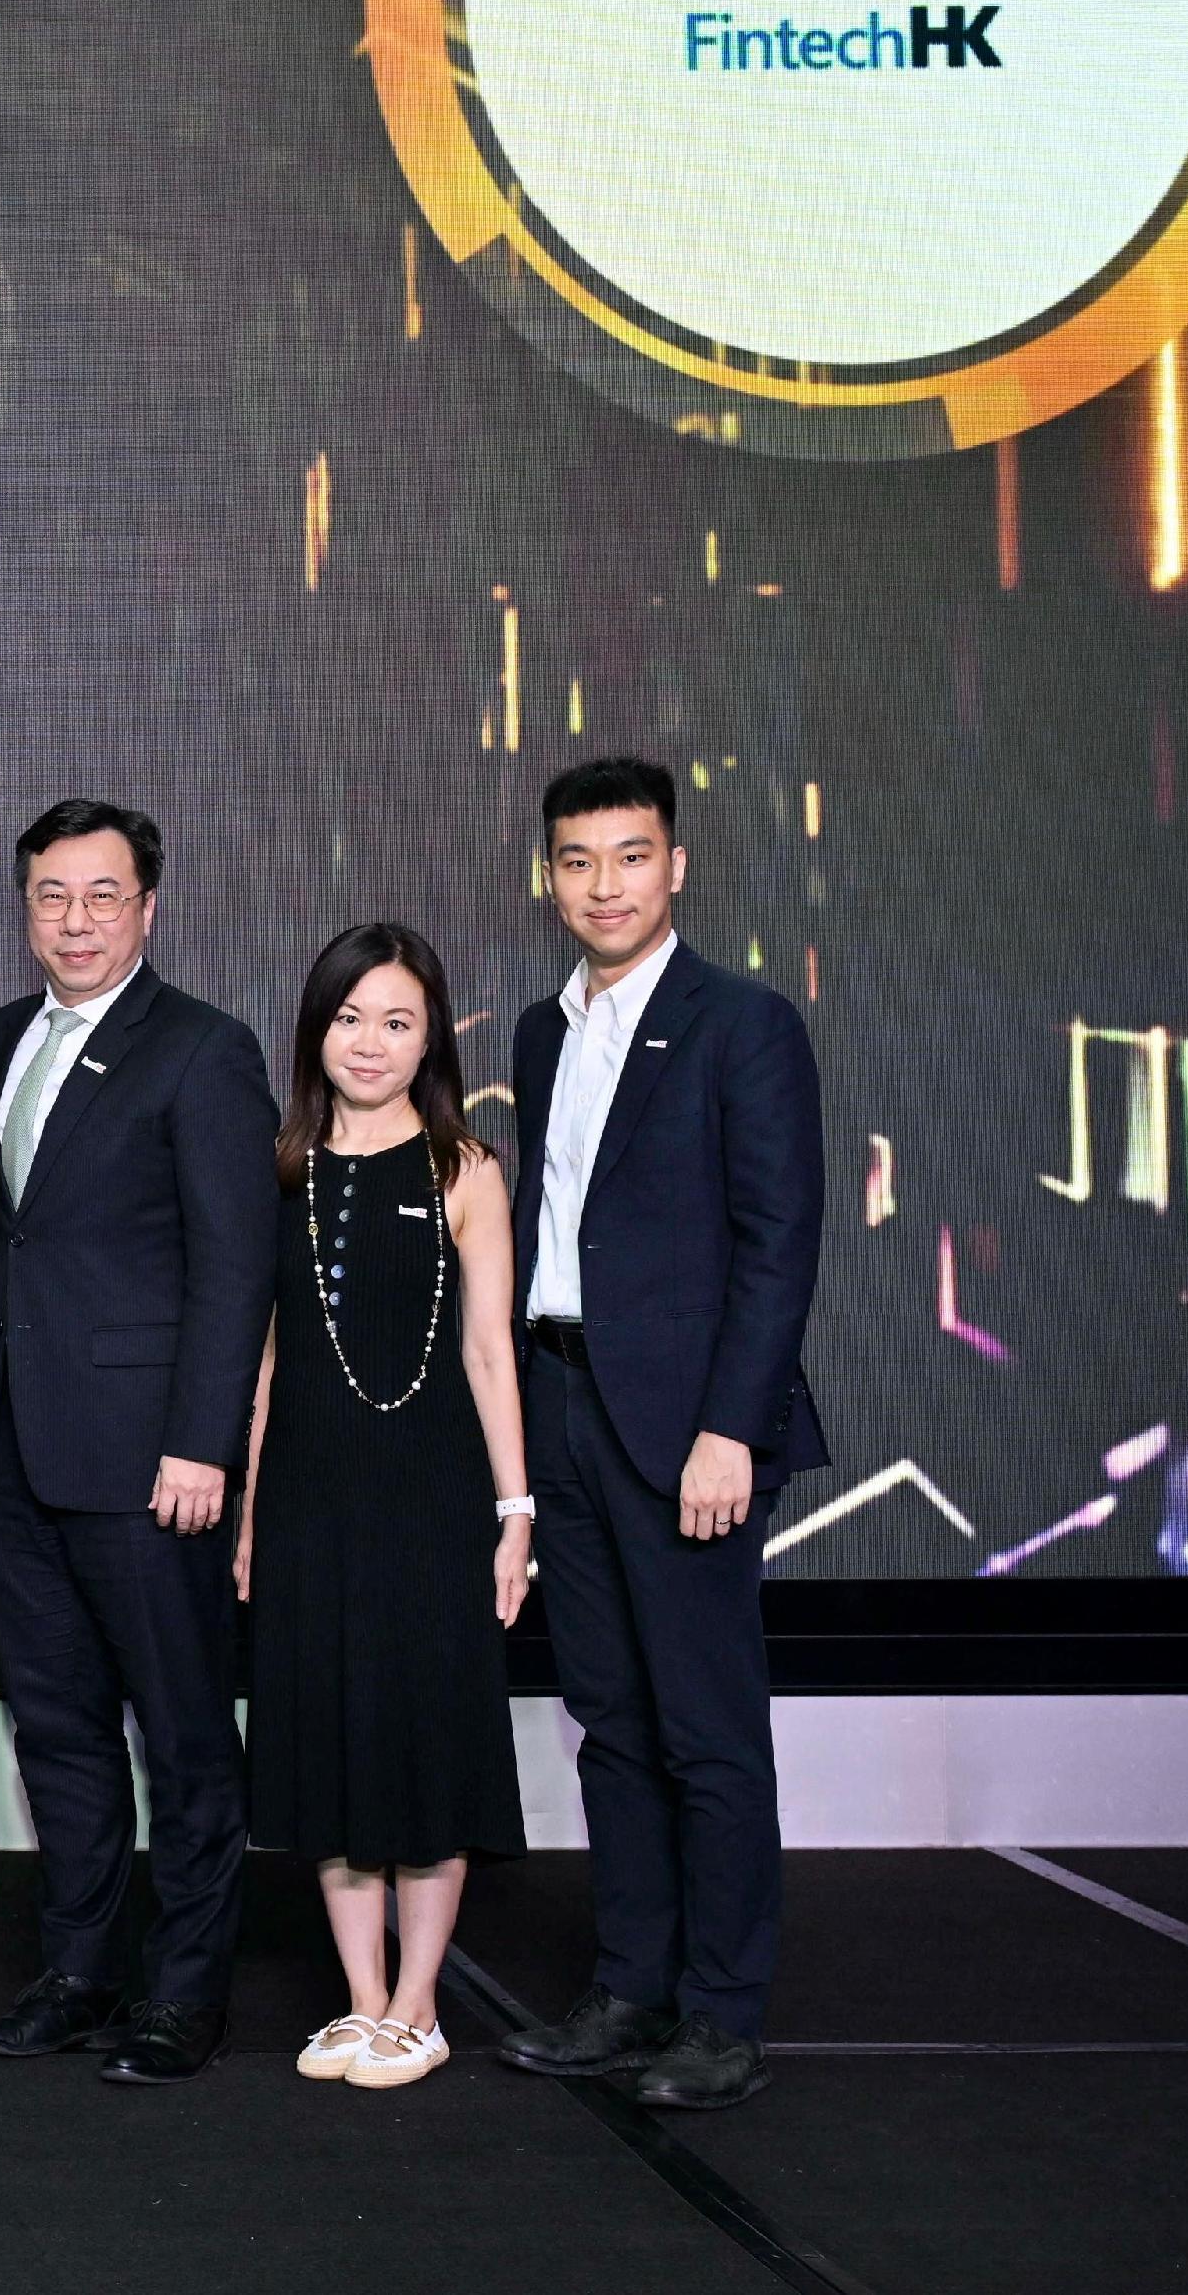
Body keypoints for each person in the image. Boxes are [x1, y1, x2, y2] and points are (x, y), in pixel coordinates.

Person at [490, 756, 826, 2112]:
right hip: (563, 1401)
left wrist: (730, 1427)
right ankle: (630, 1986)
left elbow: (778, 1242)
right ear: (550, 876)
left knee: (707, 1726)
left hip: (686, 1426)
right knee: (611, 1722)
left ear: (675, 865)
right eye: (578, 860)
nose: (605, 884)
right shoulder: (541, 1029)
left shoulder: (743, 1021)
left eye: (631, 855)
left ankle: (722, 2012)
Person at [0, 801, 276, 2085]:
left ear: (148, 906)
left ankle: (187, 1989)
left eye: (102, 894)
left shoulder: (202, 1048)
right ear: (24, 907)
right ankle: (79, 1969)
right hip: (8, 1453)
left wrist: (203, 1444)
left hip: (150, 1462)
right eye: (51, 894)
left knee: (184, 1731)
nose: (75, 919)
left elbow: (235, 1264)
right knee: (56, 1727)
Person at [237, 922, 531, 2092]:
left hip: (434, 1500)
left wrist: (515, 1512)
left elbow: (490, 1352)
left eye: (397, 1020)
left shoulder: (466, 1168)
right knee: (326, 1738)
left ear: (431, 1037)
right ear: (317, 1028)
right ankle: (362, 1999)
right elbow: (267, 1358)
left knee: (424, 1738)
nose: (369, 1042)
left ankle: (419, 2005)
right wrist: (250, 1514)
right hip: (306, 1501)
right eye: (349, 1017)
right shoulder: (281, 1165)